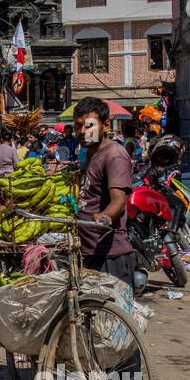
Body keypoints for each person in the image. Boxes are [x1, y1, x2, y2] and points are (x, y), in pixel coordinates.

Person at [74, 97, 135, 289]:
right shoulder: (91, 152)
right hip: (89, 251)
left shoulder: (114, 155)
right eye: (78, 126)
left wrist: (105, 216)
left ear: (106, 125)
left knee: (110, 317)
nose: (83, 132)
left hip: (109, 255)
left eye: (89, 126)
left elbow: (118, 199)